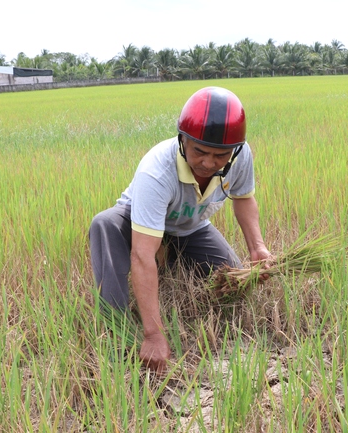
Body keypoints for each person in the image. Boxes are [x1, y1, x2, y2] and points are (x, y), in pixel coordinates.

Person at [89, 86, 271, 373]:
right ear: (182, 139)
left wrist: (257, 247)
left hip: (190, 227)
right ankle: (115, 326)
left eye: (220, 156)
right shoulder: (156, 171)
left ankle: (172, 259)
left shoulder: (241, 156)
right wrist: (153, 334)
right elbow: (141, 255)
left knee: (232, 280)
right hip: (139, 223)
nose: (209, 163)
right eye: (199, 151)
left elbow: (244, 198)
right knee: (104, 223)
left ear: (234, 151)